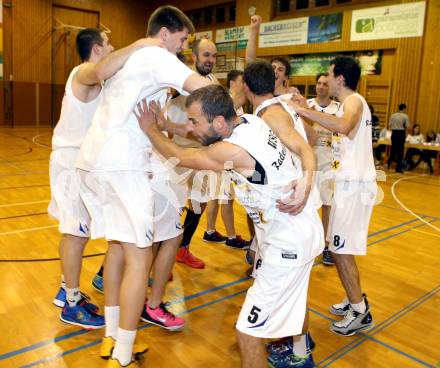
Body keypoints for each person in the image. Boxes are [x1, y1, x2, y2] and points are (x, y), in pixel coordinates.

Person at [135, 83, 323, 368]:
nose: (192, 127)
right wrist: (308, 178)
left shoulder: (231, 151)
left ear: (220, 121)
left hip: (288, 244)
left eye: (195, 121)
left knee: (247, 333)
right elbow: (303, 146)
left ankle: (299, 355)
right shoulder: (251, 121)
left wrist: (150, 129)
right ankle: (300, 355)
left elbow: (182, 156)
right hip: (303, 229)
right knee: (293, 300)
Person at [76, 6, 211, 367]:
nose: (181, 49)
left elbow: (161, 118)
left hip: (93, 162)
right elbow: (204, 87)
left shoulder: (129, 59)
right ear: (165, 33)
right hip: (122, 165)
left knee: (118, 248)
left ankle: (110, 337)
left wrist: (180, 127)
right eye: (181, 40)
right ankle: (123, 352)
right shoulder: (155, 54)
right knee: (140, 256)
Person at [49, 28, 152, 329]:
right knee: (75, 232)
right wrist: (140, 43)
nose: (113, 46)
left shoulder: (99, 79)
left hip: (80, 162)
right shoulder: (83, 72)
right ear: (96, 49)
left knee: (78, 230)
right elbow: (105, 68)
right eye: (108, 43)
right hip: (69, 162)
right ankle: (71, 302)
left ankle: (66, 287)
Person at [289, 56, 377, 337]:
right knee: (339, 247)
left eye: (330, 74)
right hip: (348, 184)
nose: (326, 79)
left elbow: (342, 126)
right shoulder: (348, 104)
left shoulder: (353, 101)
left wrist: (300, 109)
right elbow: (326, 131)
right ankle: (355, 300)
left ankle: (360, 311)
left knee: (340, 249)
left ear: (340, 78)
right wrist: (303, 110)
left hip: (355, 186)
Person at [307, 72, 339, 266]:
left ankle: (326, 246)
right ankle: (310, 244)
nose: (321, 87)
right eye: (319, 83)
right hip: (309, 163)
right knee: (308, 206)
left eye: (325, 84)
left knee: (327, 206)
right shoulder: (307, 106)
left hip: (329, 165)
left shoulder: (338, 108)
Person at [387, 103, 410, 173]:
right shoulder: (405, 116)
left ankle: (388, 163)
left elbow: (389, 125)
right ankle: (398, 168)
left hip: (394, 133)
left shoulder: (393, 115)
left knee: (393, 149)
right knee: (400, 152)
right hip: (401, 133)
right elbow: (408, 126)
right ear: (404, 108)